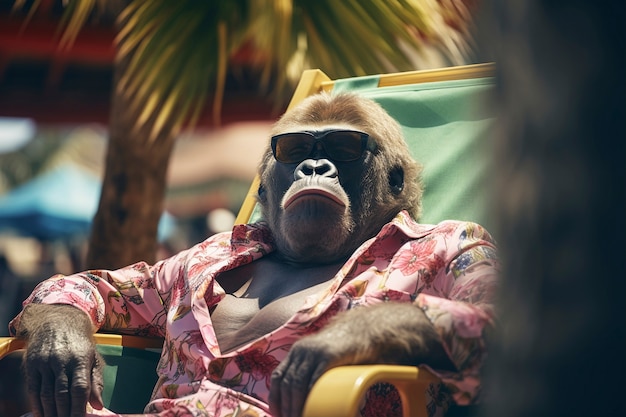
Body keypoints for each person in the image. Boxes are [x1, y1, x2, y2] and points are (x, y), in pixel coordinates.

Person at [9, 92, 498, 417]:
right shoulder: (211, 258)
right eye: (292, 149)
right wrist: (58, 321)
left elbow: (511, 328)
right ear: (266, 189)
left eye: (346, 147)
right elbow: (90, 289)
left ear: (393, 182)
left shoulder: (439, 249)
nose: (315, 161)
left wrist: (372, 327)